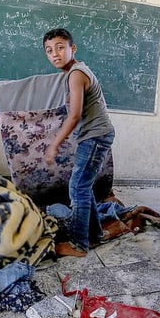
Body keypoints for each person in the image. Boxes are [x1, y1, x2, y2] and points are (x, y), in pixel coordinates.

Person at [42, 28, 116, 257]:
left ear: (72, 49)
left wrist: (54, 144)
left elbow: (74, 115)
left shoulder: (76, 74)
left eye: (60, 47)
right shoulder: (74, 72)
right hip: (97, 134)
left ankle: (79, 244)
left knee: (77, 188)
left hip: (96, 135)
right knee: (83, 186)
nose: (55, 54)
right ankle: (95, 234)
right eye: (49, 50)